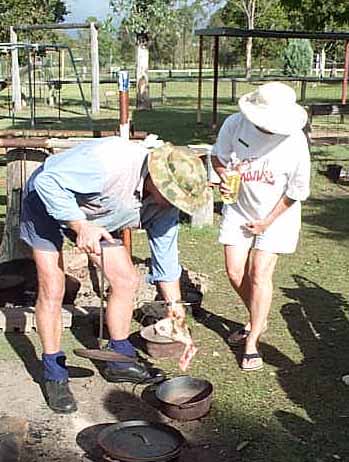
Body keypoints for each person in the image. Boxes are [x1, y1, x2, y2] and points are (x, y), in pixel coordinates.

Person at [20, 137, 209, 413]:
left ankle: (118, 360)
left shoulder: (165, 206)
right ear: (156, 178)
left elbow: (166, 259)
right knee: (53, 287)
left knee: (126, 280)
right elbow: (47, 182)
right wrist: (79, 224)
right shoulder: (109, 164)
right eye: (172, 196)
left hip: (96, 213)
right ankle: (53, 373)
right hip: (46, 202)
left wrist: (175, 311)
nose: (173, 203)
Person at [211, 82, 311, 372]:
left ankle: (252, 340)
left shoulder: (295, 141)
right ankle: (258, 317)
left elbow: (297, 190)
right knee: (234, 271)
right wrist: (224, 174)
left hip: (278, 215)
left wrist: (267, 221)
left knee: (259, 273)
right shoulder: (236, 123)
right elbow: (218, 156)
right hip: (239, 207)